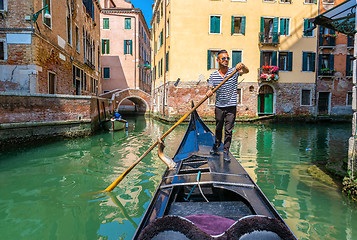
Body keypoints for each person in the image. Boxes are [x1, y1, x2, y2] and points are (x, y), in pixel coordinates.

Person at [206, 50, 249, 161]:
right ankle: (216, 145)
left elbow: (246, 71)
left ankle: (226, 151)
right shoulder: (213, 75)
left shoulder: (233, 71)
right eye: (223, 58)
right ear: (218, 60)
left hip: (231, 106)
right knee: (218, 128)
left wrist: (242, 66)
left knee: (229, 130)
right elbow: (210, 86)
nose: (226, 60)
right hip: (219, 106)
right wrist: (209, 91)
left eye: (227, 58)